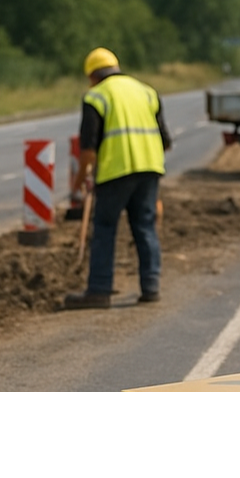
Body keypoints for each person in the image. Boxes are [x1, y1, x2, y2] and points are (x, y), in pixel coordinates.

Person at [64, 48, 172, 310]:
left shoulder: (96, 96)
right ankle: (151, 285)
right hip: (149, 168)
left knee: (104, 228)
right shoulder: (147, 91)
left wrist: (78, 183)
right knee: (145, 226)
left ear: (92, 76)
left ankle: (99, 290)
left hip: (116, 172)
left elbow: (88, 150)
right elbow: (165, 141)